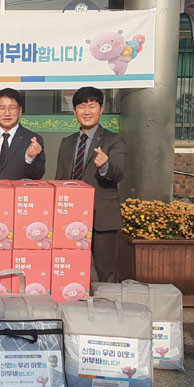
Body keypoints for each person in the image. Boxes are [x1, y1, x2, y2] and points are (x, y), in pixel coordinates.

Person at [55, 86, 126, 283]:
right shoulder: (67, 142)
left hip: (101, 216)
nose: (87, 111)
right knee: (70, 270)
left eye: (92, 106)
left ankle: (109, 302)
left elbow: (118, 173)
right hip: (71, 217)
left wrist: (105, 166)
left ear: (101, 109)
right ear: (74, 111)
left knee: (107, 273)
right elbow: (60, 178)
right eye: (81, 106)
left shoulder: (114, 140)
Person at [0, 88, 45, 180]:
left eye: (12, 108)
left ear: (20, 111)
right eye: (2, 108)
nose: (7, 113)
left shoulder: (32, 140)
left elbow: (38, 175)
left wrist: (30, 158)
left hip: (20, 189)